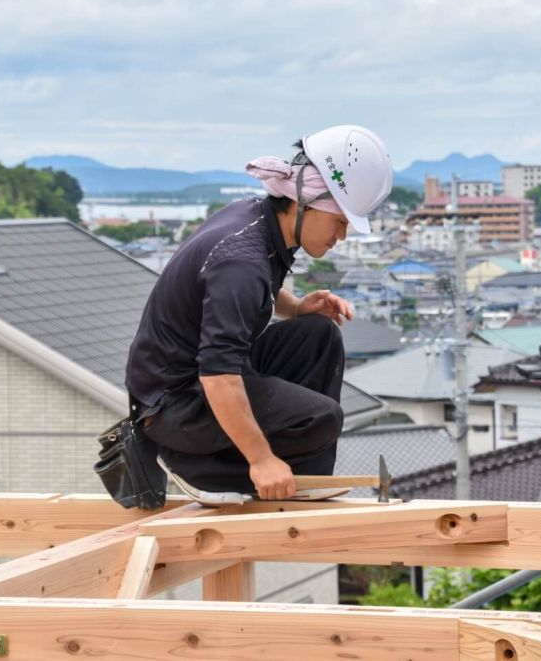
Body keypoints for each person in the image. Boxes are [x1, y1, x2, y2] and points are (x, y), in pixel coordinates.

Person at [124, 125, 393, 500]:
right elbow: (218, 375)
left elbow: (242, 290)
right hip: (176, 408)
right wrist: (260, 458)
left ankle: (297, 478)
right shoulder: (241, 263)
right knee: (323, 419)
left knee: (318, 335)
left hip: (187, 388)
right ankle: (202, 470)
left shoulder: (255, 220)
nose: (341, 236)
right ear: (306, 203)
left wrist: (296, 308)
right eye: (340, 222)